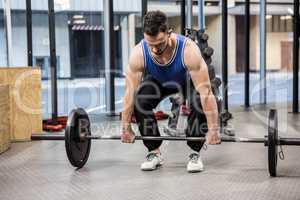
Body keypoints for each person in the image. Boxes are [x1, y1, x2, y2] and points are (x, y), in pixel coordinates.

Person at [121, 10, 220, 173]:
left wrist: (213, 129)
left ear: (169, 33)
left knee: (198, 99)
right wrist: (125, 128)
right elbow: (128, 94)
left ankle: (195, 152)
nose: (154, 49)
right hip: (159, 81)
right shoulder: (139, 52)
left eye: (159, 43)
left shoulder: (188, 49)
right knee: (139, 99)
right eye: (150, 44)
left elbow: (206, 93)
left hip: (185, 81)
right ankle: (154, 152)